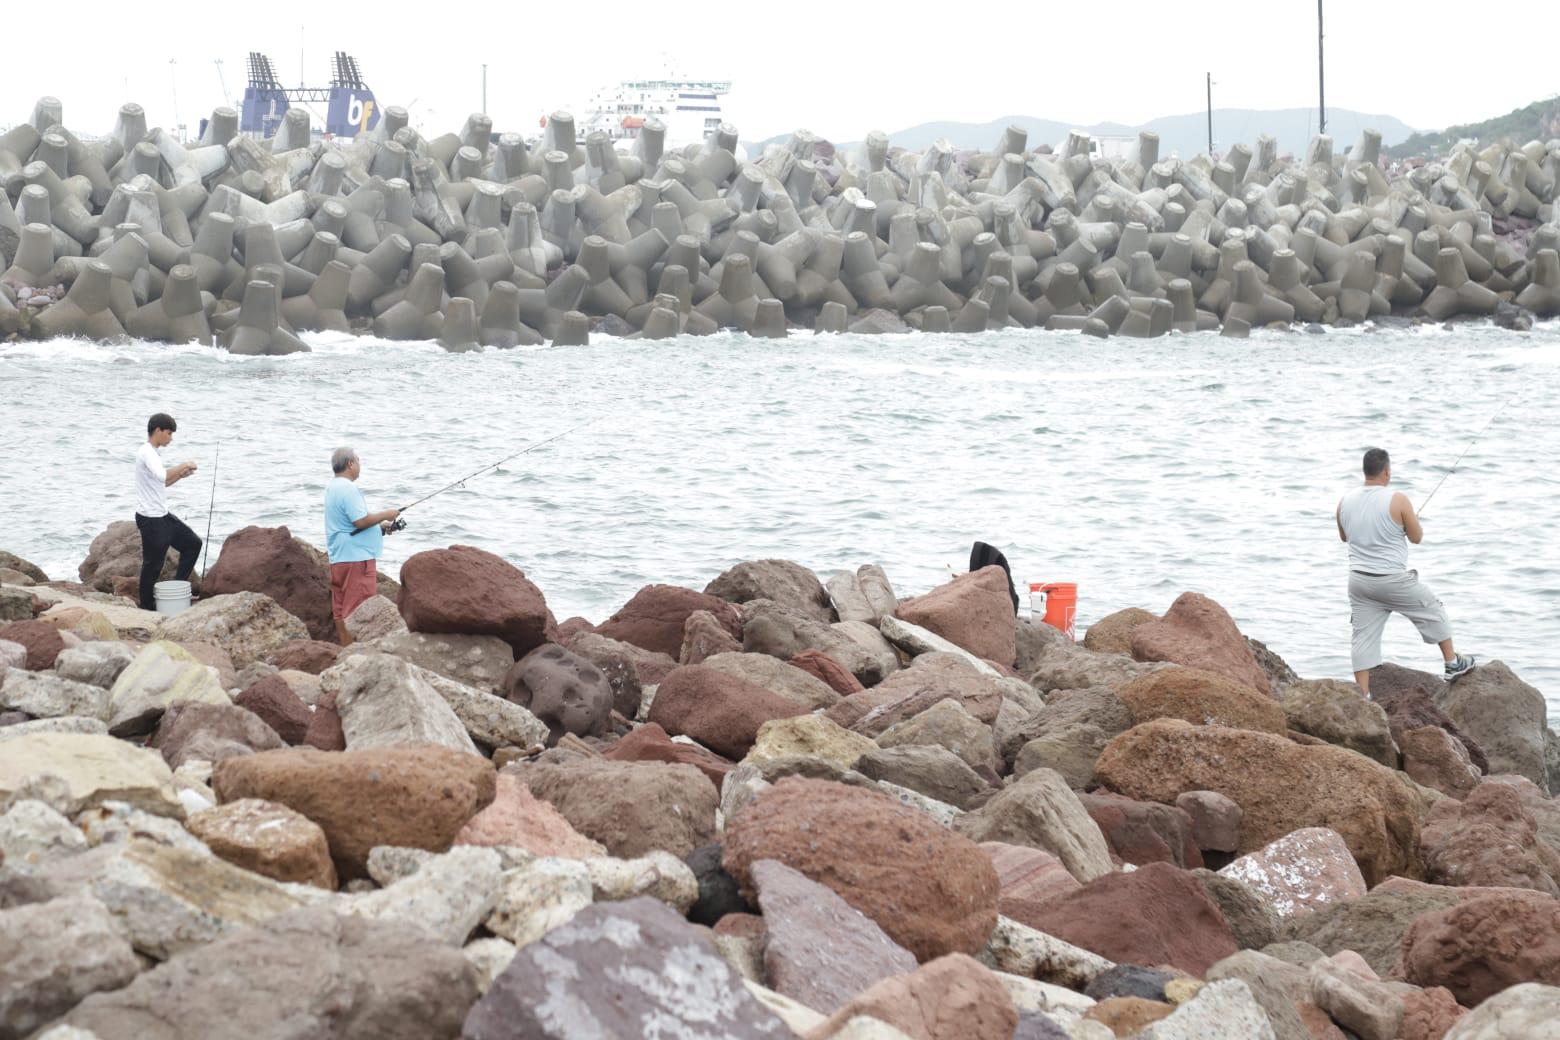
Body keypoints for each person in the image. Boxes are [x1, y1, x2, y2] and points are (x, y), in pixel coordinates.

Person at [1336, 447, 1475, 695]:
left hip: (1358, 581)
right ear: (1387, 472)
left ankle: (1363, 695)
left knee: (1362, 637)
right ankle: (1452, 663)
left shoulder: (1344, 501)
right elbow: (1416, 537)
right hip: (1391, 580)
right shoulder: (1397, 499)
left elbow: (1345, 537)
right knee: (1433, 609)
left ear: (1365, 471)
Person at [324, 446, 400, 644]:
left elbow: (347, 525)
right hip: (357, 560)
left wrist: (380, 527)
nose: (359, 465)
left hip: (339, 558)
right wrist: (387, 514)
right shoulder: (349, 488)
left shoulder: (332, 487)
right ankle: (360, 657)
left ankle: (346, 653)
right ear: (350, 464)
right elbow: (360, 521)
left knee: (341, 611)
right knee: (360, 611)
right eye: (358, 461)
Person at [134, 413, 201, 611]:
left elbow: (164, 483)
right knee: (152, 566)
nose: (171, 438)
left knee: (193, 544)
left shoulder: (154, 452)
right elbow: (162, 476)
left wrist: (181, 475)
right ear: (158, 431)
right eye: (169, 433)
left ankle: (175, 589)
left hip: (162, 516)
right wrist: (184, 464)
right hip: (150, 519)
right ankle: (146, 607)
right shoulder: (146, 452)